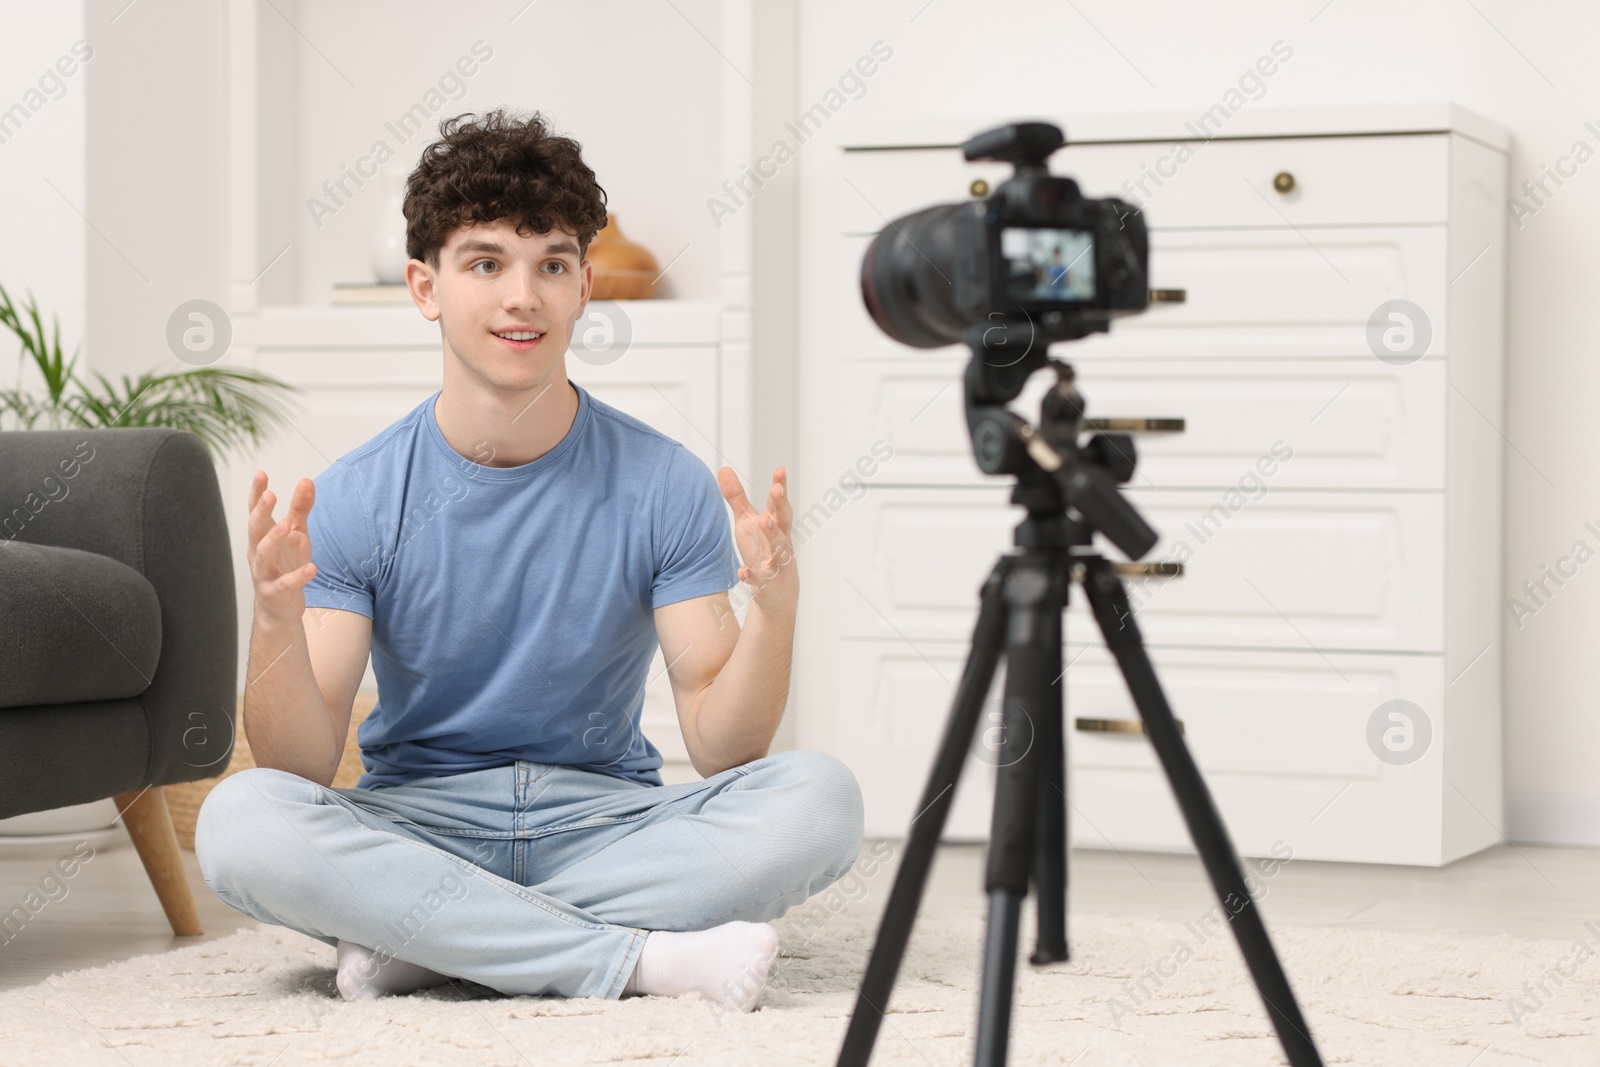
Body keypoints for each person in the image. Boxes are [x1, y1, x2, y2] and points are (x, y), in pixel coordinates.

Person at [194, 109, 864, 1014]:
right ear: (425, 287)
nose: (524, 297)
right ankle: (635, 961)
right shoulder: (356, 494)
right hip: (421, 823)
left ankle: (432, 941)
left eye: (551, 264)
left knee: (821, 799)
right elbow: (300, 765)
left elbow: (723, 746)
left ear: (585, 286)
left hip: (607, 823)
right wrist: (272, 622)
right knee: (242, 822)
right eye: (486, 263)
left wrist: (777, 609)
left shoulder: (663, 482)